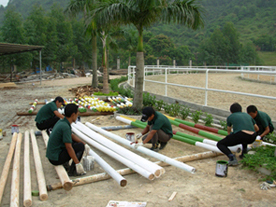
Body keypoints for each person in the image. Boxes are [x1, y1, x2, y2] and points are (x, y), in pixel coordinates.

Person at [46, 103, 90, 176]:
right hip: (55, 158)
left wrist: (84, 143)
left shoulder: (62, 121)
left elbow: (71, 135)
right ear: (73, 114)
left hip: (53, 155)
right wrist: (77, 163)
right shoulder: (65, 126)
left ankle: (66, 163)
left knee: (79, 144)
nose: (77, 116)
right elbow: (68, 147)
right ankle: (73, 171)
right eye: (77, 114)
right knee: (80, 147)